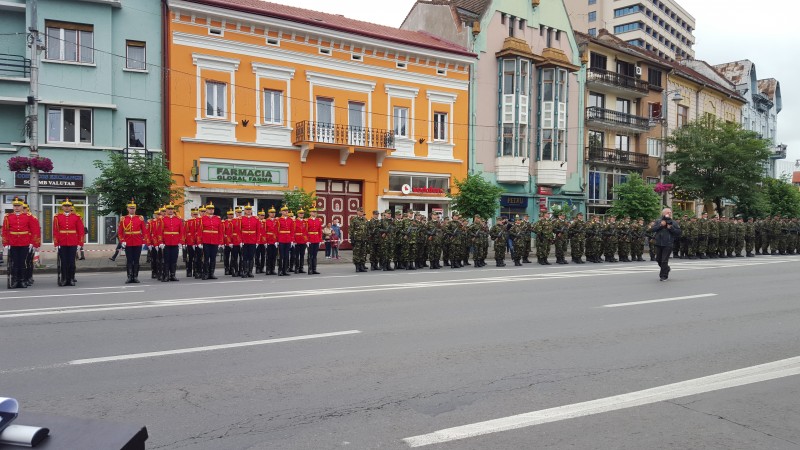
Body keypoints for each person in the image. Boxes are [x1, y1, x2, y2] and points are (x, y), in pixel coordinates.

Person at [2, 197, 41, 289]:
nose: (16, 207)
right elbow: (5, 231)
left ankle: (22, 280)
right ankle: (15, 280)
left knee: (22, 262)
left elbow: (34, 230)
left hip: (25, 242)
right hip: (13, 242)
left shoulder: (28, 217)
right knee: (15, 263)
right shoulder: (8, 217)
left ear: (22, 206)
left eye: (18, 206)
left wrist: (33, 243)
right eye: (15, 206)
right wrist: (5, 243)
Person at [53, 198, 85, 287]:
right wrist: (56, 244)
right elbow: (55, 231)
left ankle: (71, 278)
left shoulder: (77, 217)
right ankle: (64, 279)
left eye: (68, 206)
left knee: (71, 262)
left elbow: (80, 231)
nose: (67, 208)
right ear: (62, 207)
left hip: (73, 242)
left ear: (71, 207)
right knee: (63, 262)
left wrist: (80, 243)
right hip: (62, 243)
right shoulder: (57, 217)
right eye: (65, 206)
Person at [118, 198, 146, 284]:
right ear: (127, 209)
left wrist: (143, 240)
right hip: (128, 242)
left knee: (136, 260)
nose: (132, 209)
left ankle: (136, 276)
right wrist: (122, 240)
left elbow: (144, 231)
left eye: (133, 208)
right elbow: (120, 231)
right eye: (130, 208)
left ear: (135, 209)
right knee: (129, 260)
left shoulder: (140, 218)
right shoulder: (123, 219)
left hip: (137, 241)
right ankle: (129, 276)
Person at [650, 207, 681, 281]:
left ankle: (663, 276)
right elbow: (652, 229)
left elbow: (679, 232)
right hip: (658, 243)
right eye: (668, 212)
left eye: (670, 212)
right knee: (658, 259)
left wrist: (671, 228)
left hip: (668, 243)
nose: (669, 214)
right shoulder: (658, 221)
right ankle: (666, 268)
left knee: (664, 260)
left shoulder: (673, 222)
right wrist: (661, 225)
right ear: (663, 213)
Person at [198, 202, 224, 280]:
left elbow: (220, 231)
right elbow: (200, 231)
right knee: (206, 258)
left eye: (212, 209)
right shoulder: (203, 219)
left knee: (213, 258)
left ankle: (211, 273)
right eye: (209, 209)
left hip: (215, 241)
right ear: (206, 210)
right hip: (206, 241)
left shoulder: (217, 219)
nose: (211, 210)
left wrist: (220, 242)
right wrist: (199, 242)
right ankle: (205, 273)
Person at [160, 203, 184, 281]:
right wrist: (161, 242)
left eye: (171, 209)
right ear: (166, 210)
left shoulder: (178, 219)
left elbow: (181, 231)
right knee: (166, 259)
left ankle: (173, 275)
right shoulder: (163, 220)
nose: (170, 211)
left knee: (174, 259)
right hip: (166, 242)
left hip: (175, 242)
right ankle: (166, 275)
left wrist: (180, 241)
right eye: (169, 209)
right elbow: (160, 231)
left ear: (173, 210)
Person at [239, 203, 260, 278]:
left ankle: (250, 272)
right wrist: (240, 241)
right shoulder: (241, 219)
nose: (248, 211)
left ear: (251, 210)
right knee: (245, 256)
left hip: (253, 240)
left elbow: (258, 231)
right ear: (244, 210)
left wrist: (257, 241)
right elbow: (239, 231)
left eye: (249, 209)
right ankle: (245, 271)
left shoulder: (256, 219)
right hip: (244, 240)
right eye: (247, 209)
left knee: (251, 256)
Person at [306, 208, 322, 275]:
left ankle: (314, 269)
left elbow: (320, 231)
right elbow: (305, 231)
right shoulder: (307, 220)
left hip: (316, 239)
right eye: (313, 212)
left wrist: (320, 239)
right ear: (310, 213)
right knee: (310, 255)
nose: (314, 213)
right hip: (310, 239)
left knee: (315, 255)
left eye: (315, 212)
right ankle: (310, 269)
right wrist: (307, 240)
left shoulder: (318, 220)